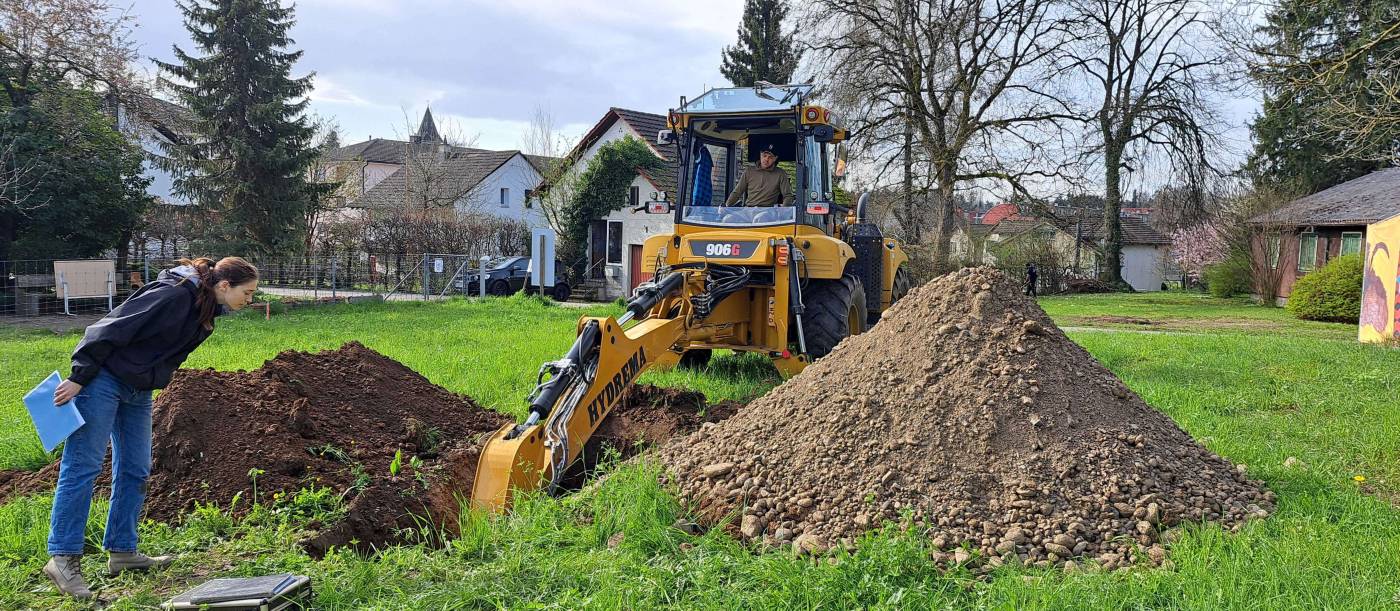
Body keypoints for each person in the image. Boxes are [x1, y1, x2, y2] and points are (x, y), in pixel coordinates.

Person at [44, 257, 258, 599]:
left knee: (136, 469)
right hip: (102, 382)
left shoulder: (204, 311)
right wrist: (79, 377)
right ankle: (64, 558)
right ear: (223, 286)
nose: (249, 300)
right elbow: (109, 329)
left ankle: (122, 551)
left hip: (137, 390)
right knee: (83, 467)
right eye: (246, 293)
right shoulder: (173, 294)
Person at [724, 144, 792, 207]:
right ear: (760, 155)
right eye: (764, 156)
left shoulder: (780, 173)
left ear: (775, 158)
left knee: (758, 219)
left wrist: (782, 212)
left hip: (768, 212)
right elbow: (737, 192)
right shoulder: (749, 171)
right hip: (748, 210)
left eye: (770, 157)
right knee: (727, 219)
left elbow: (787, 196)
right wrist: (726, 207)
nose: (766, 159)